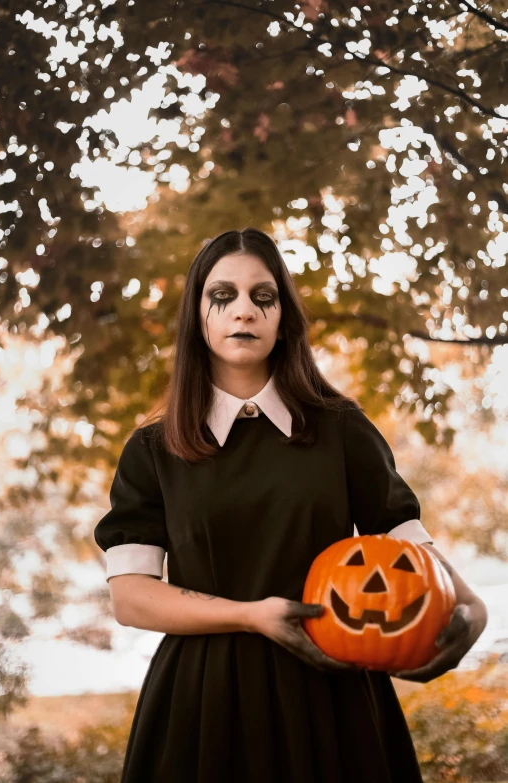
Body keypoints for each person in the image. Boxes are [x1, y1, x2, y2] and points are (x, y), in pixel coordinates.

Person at [93, 227, 488, 783]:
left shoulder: (341, 428)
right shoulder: (152, 450)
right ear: (198, 318)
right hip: (204, 699)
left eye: (264, 296)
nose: (244, 312)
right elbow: (131, 598)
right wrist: (251, 616)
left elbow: (407, 548)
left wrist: (473, 606)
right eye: (222, 295)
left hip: (332, 690)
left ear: (282, 320)